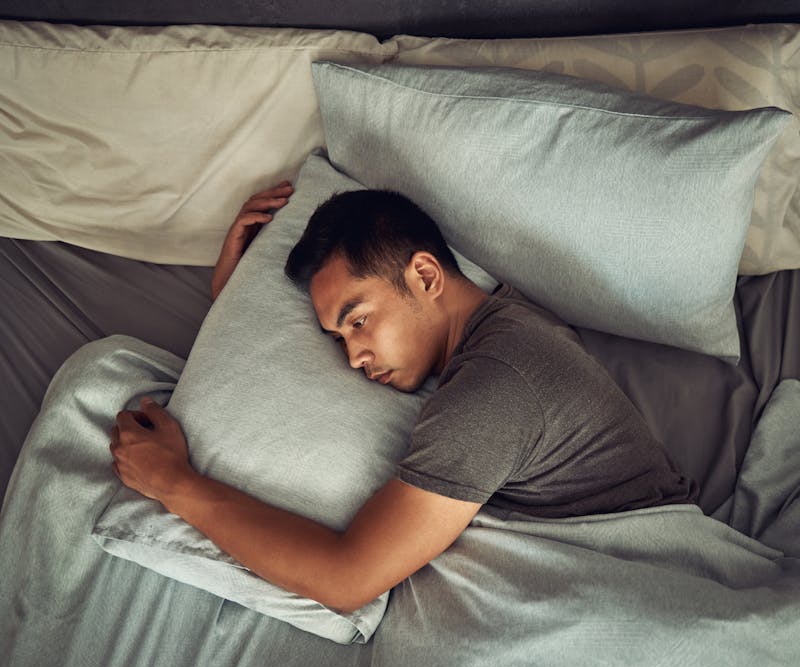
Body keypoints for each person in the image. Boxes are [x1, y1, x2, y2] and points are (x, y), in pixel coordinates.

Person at [110, 182, 698, 614]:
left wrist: (173, 483)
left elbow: (346, 579)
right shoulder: (504, 320)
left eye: (359, 321)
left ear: (424, 275)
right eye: (338, 338)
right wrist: (236, 301)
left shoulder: (492, 390)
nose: (353, 358)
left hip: (642, 577)